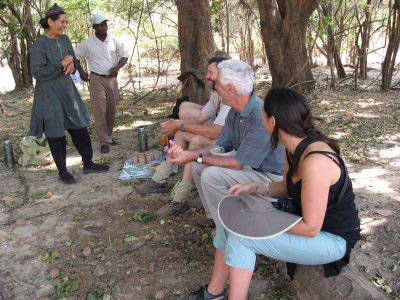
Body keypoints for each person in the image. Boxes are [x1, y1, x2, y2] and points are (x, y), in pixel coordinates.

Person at [178, 88, 361, 300]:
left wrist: (261, 219)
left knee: (241, 237)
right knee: (230, 223)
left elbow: (311, 228)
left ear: (272, 121)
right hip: (305, 224)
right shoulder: (293, 149)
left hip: (332, 240)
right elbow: (285, 187)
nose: (261, 120)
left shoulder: (316, 162)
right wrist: (258, 188)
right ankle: (214, 293)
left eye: (262, 115)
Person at [168, 60, 285, 226]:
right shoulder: (235, 110)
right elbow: (219, 147)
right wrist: (188, 155)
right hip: (251, 166)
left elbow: (236, 164)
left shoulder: (260, 115)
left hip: (272, 179)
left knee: (211, 175)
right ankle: (216, 218)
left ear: (230, 88)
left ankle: (236, 225)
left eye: (218, 83)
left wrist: (194, 155)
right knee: (197, 166)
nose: (214, 87)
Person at [135, 55, 231, 217]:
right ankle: (159, 180)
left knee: (197, 140)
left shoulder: (230, 98)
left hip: (230, 145)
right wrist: (178, 124)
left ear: (223, 75)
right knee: (182, 133)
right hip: (221, 139)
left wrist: (180, 124)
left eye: (210, 73)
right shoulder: (216, 96)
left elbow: (216, 132)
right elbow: (200, 119)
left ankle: (179, 198)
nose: (206, 76)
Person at [29, 4, 109, 184]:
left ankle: (88, 163)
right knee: (55, 131)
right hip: (49, 94)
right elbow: (37, 72)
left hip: (67, 90)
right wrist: (60, 63)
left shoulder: (64, 39)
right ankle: (63, 172)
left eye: (66, 22)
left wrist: (72, 66)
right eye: (62, 22)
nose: (65, 25)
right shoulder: (40, 44)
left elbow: (71, 59)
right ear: (50, 22)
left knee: (79, 126)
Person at [75, 14, 128, 153]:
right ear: (94, 27)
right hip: (96, 78)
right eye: (100, 25)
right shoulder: (87, 43)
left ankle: (109, 136)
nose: (104, 27)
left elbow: (125, 55)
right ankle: (104, 141)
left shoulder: (114, 40)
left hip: (111, 79)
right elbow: (76, 57)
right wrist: (81, 72)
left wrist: (116, 68)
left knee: (111, 108)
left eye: (105, 24)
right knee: (99, 110)